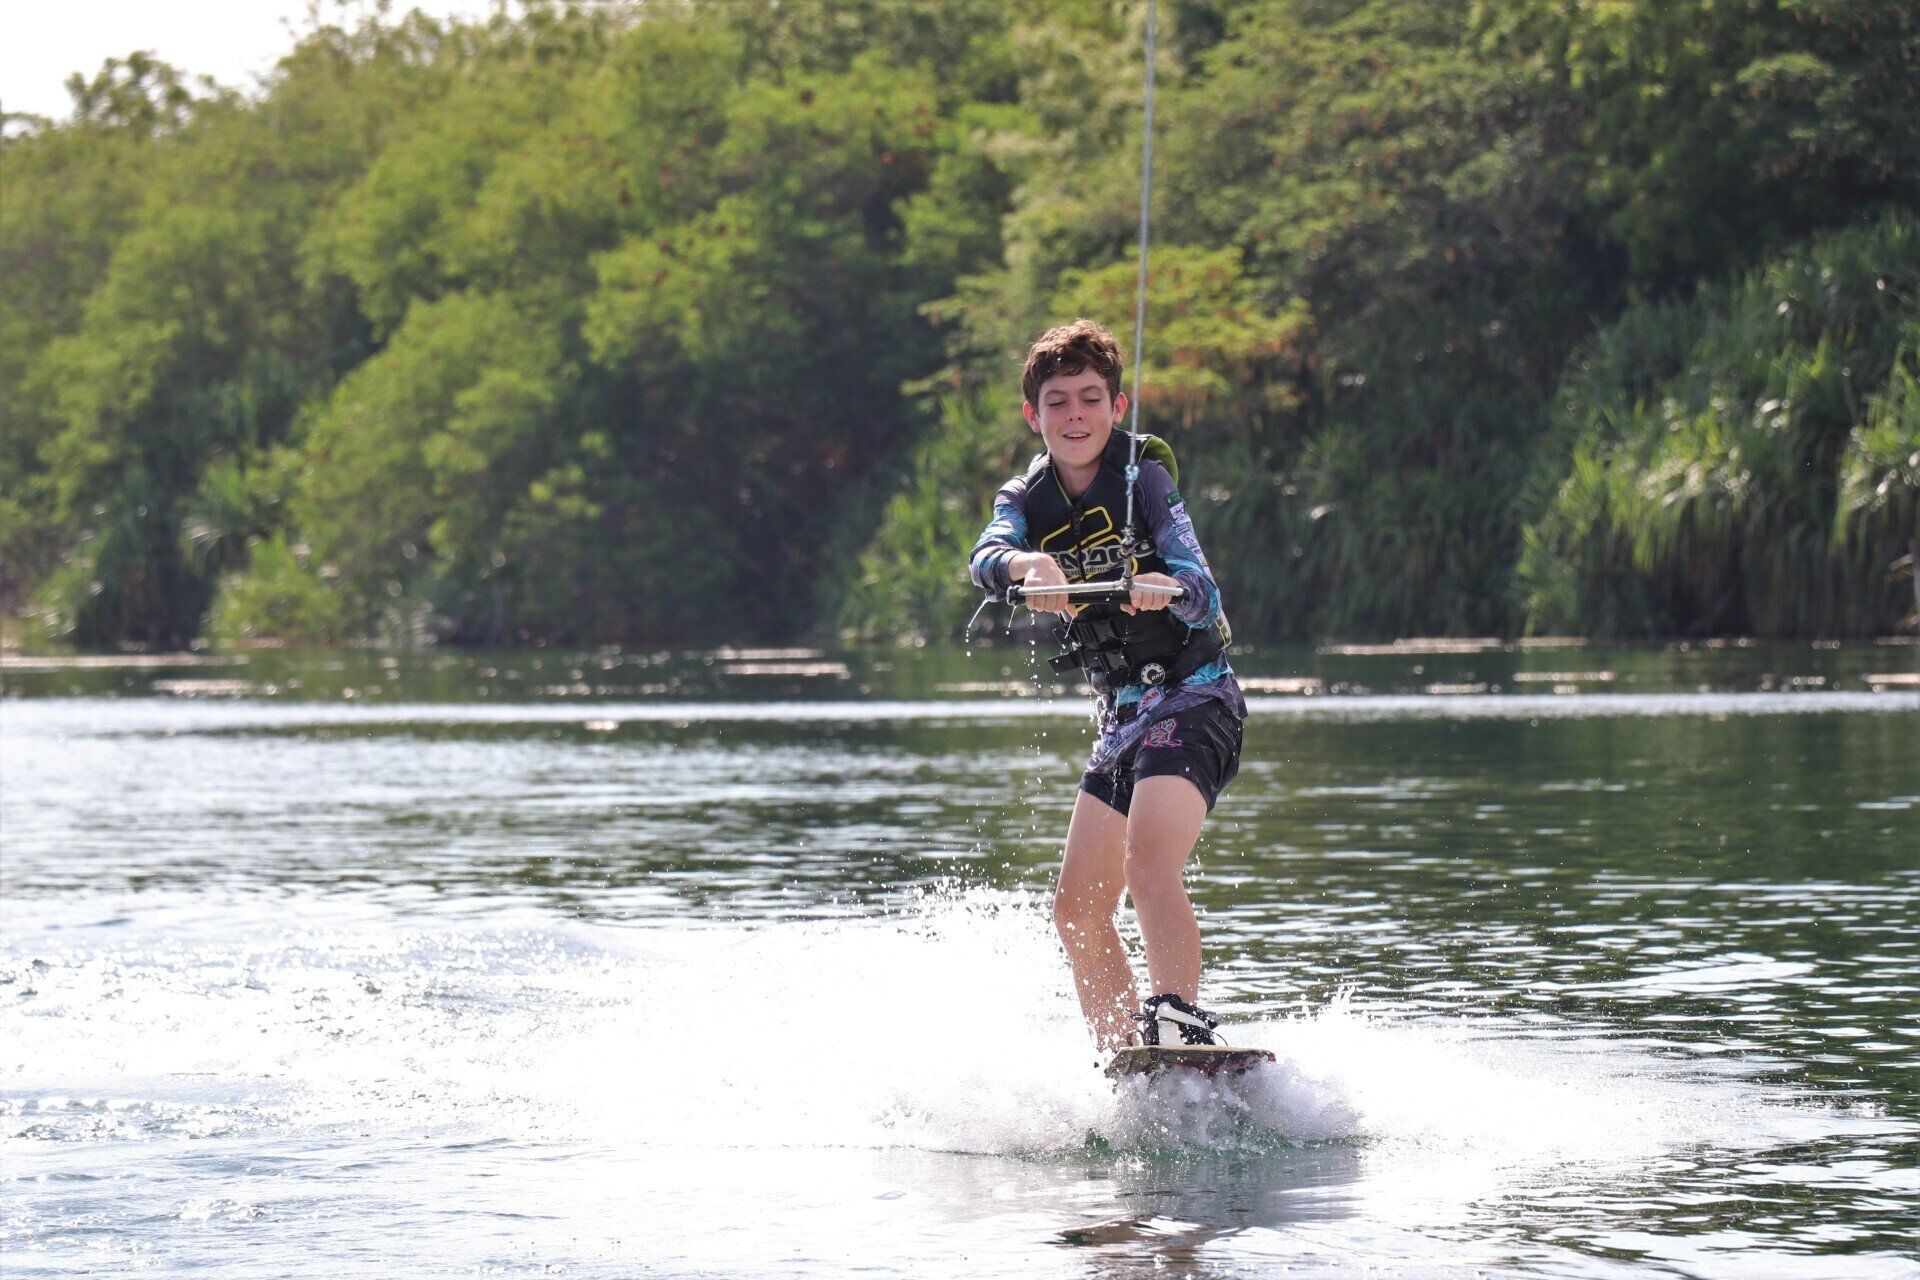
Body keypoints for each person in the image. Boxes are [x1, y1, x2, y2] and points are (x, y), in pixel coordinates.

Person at [969, 318, 1248, 1055]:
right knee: (1076, 911)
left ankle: (1179, 1020)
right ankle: (1125, 1057)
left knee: (1148, 864)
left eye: (1091, 399)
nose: (1075, 416)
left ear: (1117, 407)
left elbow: (1204, 589)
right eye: (1057, 403)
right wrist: (1026, 566)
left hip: (1197, 698)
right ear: (1033, 416)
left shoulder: (1143, 478)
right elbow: (985, 556)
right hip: (1123, 721)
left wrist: (1167, 587)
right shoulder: (1023, 497)